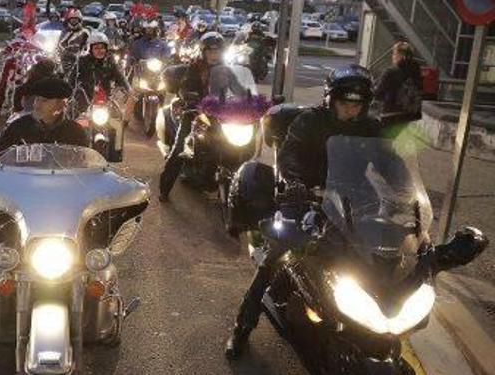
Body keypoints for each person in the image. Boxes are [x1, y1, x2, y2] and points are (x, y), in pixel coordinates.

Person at [225, 64, 381, 359]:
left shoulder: (370, 127)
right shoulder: (309, 122)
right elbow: (289, 156)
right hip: (305, 198)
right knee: (274, 258)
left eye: (357, 104)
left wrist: (400, 191)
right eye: (345, 102)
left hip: (351, 202)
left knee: (375, 254)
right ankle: (242, 327)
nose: (350, 109)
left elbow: (389, 162)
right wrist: (295, 183)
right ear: (331, 100)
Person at [158, 32, 225, 202]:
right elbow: (185, 86)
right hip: (195, 113)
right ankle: (164, 189)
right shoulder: (194, 68)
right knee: (180, 148)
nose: (214, 55)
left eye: (217, 51)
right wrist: (189, 96)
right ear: (204, 52)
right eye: (210, 51)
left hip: (219, 115)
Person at [0, 77, 89, 152]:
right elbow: (3, 156)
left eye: (44, 101)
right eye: (37, 99)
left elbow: (81, 162)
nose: (37, 105)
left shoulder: (75, 132)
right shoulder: (18, 127)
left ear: (61, 104)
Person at [73, 31, 132, 114]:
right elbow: (72, 77)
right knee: (74, 119)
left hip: (105, 98)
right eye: (96, 48)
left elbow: (119, 75)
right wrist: (71, 91)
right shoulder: (82, 61)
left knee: (119, 117)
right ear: (90, 49)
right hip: (85, 98)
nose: (100, 51)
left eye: (102, 48)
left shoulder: (109, 61)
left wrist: (128, 88)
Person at [373, 41, 423, 133]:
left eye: (394, 53)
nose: (392, 56)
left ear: (400, 55)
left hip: (391, 115)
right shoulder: (416, 72)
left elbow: (377, 94)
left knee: (384, 142)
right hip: (410, 115)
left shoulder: (390, 72)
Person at [58, 8, 89, 77]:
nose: (74, 21)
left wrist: (83, 53)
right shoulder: (65, 32)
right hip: (66, 59)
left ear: (80, 20)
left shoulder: (85, 32)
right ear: (69, 20)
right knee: (58, 73)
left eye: (76, 20)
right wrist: (61, 53)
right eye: (72, 20)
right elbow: (59, 45)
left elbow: (88, 46)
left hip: (80, 59)